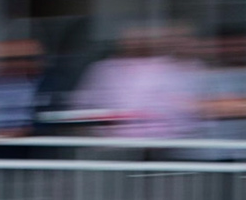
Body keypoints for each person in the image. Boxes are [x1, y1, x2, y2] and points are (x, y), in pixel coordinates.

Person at [70, 25, 199, 139]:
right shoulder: (102, 69)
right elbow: (81, 105)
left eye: (142, 38)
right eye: (131, 38)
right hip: (109, 144)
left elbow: (184, 110)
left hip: (161, 145)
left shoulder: (171, 68)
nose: (137, 42)